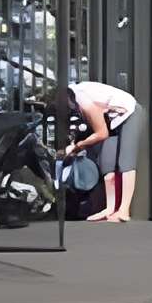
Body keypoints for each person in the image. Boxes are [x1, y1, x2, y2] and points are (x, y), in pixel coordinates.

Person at [59, 77, 141, 223]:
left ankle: (124, 210)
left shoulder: (85, 102)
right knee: (107, 163)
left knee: (125, 161)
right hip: (112, 120)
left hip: (129, 112)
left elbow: (101, 133)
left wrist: (79, 146)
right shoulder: (74, 96)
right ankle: (110, 209)